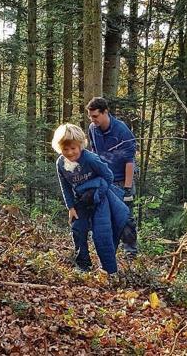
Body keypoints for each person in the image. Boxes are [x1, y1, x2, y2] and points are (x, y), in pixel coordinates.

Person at [54, 124, 133, 275]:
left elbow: (108, 176)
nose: (70, 152)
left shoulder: (90, 159)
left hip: (100, 198)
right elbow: (65, 186)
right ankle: (83, 265)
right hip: (81, 200)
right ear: (59, 148)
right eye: (65, 149)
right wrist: (70, 208)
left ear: (80, 145)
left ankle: (110, 271)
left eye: (73, 148)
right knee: (78, 228)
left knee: (101, 234)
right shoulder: (61, 164)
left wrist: (96, 192)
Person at [85, 97, 137, 256]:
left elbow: (130, 161)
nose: (92, 120)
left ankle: (130, 253)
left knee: (125, 218)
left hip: (122, 180)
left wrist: (127, 189)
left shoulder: (121, 130)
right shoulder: (93, 129)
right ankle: (108, 252)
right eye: (90, 117)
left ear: (105, 112)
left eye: (95, 116)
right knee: (103, 217)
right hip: (104, 180)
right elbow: (94, 154)